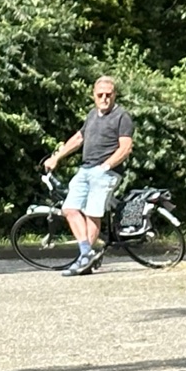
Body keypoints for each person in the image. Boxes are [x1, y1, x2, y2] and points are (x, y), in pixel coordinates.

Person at [43, 76, 135, 276]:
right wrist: (56, 157)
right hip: (85, 169)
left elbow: (126, 147)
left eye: (108, 95)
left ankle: (84, 261)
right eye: (100, 95)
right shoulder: (93, 114)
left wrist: (106, 166)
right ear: (94, 95)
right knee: (69, 209)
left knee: (93, 213)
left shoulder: (122, 116)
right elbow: (79, 138)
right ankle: (86, 253)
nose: (104, 98)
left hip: (106, 172)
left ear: (114, 95)